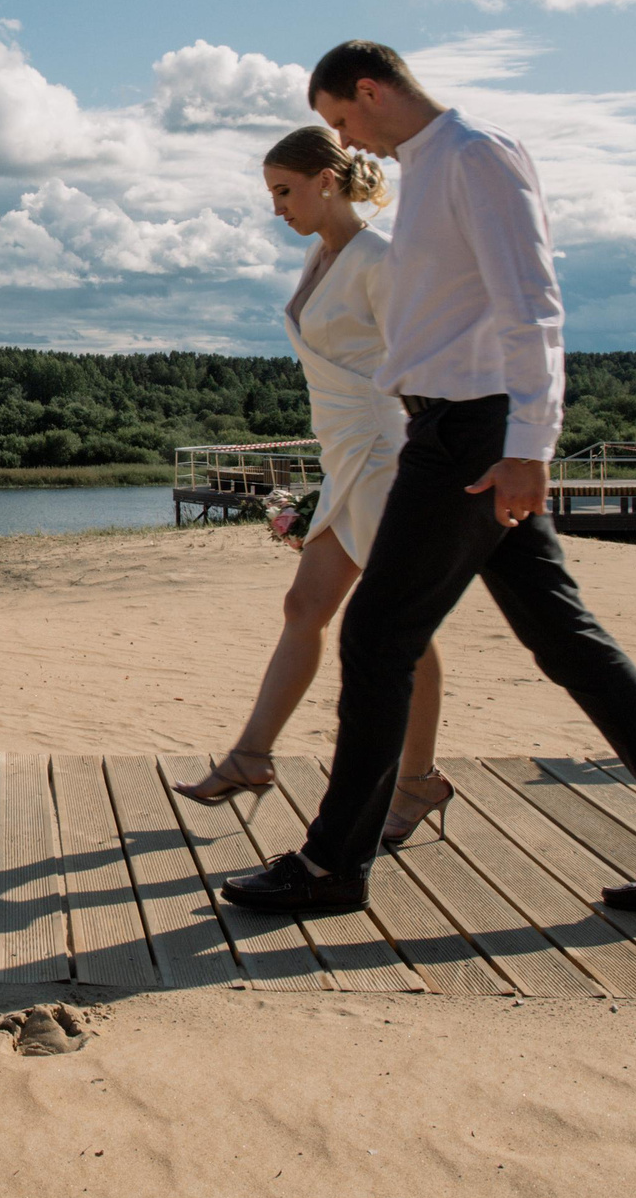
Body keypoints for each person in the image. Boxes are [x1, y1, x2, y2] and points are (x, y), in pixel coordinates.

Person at [224, 41, 636, 917]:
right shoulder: (430, 170)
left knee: (378, 637)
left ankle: (332, 863)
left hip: (472, 435)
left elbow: (533, 305)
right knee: (566, 639)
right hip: (451, 424)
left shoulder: (476, 156)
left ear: (371, 88)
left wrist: (530, 444)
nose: (349, 142)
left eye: (344, 120)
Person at [172, 126, 453, 848]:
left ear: (327, 179)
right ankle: (253, 755)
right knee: (305, 604)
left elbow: (427, 358)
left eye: (284, 190)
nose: (277, 208)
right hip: (345, 457)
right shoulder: (320, 255)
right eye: (271, 193)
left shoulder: (379, 261)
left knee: (403, 632)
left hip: (386, 457)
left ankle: (417, 778)